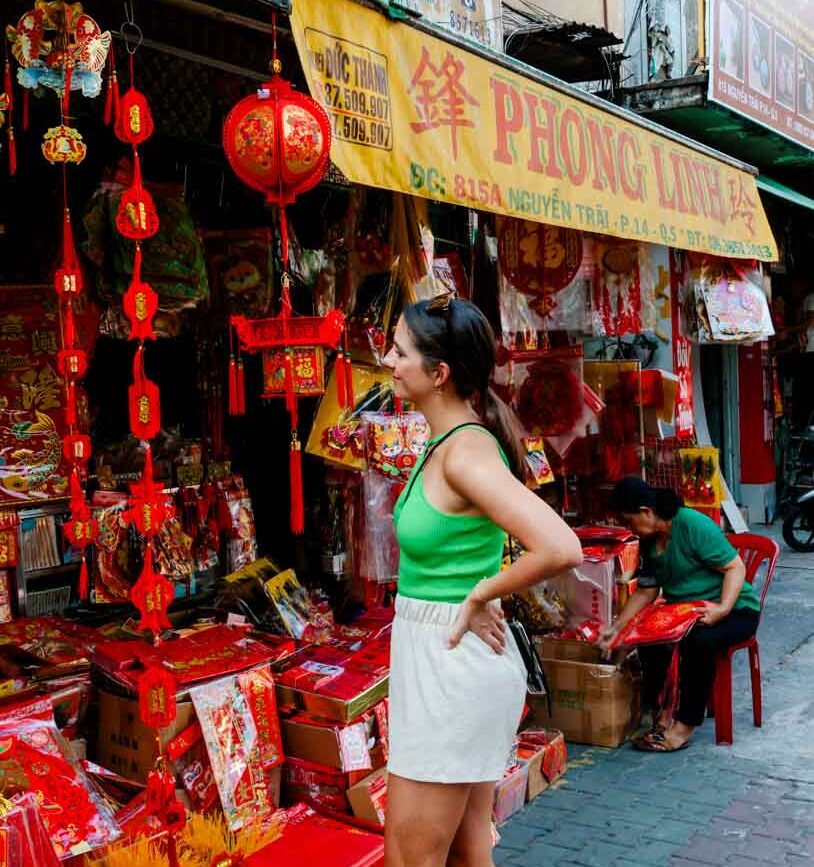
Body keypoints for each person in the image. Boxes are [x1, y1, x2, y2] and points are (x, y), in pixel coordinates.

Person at [382, 292, 582, 867]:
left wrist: (481, 592)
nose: (389, 362)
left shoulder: (466, 454)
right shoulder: (450, 442)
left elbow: (561, 546)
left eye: (400, 352)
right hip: (444, 657)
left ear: (438, 373)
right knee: (468, 853)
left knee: (409, 857)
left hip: (451, 666)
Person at [599, 477, 760, 753]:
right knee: (649, 639)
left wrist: (721, 609)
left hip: (736, 609)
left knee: (699, 640)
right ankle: (663, 715)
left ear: (646, 511)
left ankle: (685, 724)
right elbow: (646, 591)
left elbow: (735, 568)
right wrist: (618, 628)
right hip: (686, 612)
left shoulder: (691, 524)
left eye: (629, 521)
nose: (629, 529)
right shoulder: (649, 541)